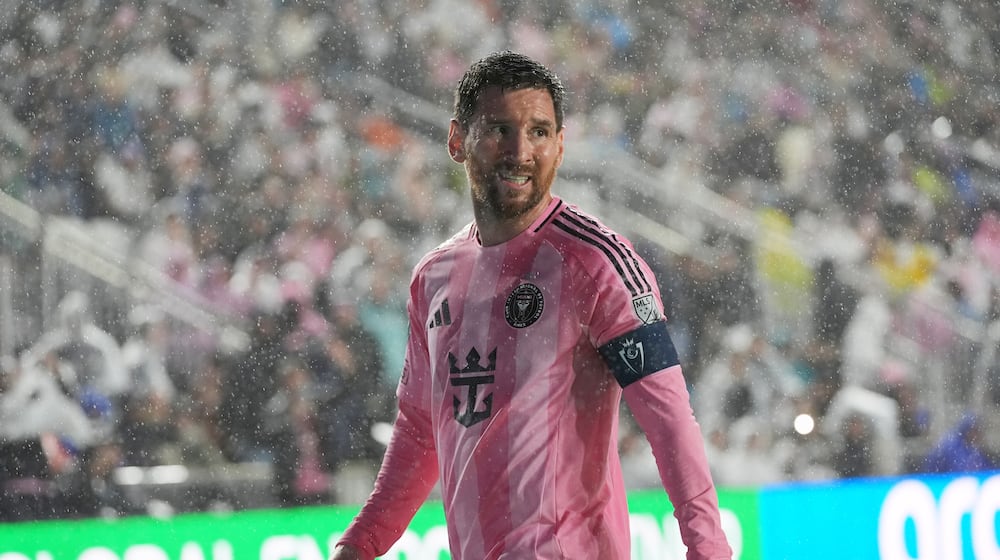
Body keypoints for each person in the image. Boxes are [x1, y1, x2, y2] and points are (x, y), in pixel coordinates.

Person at [330, 51, 732, 560]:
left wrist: (709, 549)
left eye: (540, 132)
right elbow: (419, 432)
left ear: (561, 147)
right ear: (458, 140)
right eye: (499, 129)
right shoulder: (432, 279)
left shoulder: (599, 262)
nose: (521, 150)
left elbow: (668, 417)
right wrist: (360, 545)